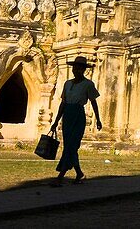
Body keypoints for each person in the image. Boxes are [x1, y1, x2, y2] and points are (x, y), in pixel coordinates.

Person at [50, 55, 101, 185]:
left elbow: (93, 102)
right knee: (69, 146)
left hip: (78, 116)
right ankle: (79, 173)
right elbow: (63, 103)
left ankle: (60, 176)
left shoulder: (88, 84)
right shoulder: (67, 84)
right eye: (75, 68)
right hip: (67, 116)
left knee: (72, 145)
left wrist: (98, 119)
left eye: (80, 68)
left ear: (84, 70)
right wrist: (55, 121)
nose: (77, 70)